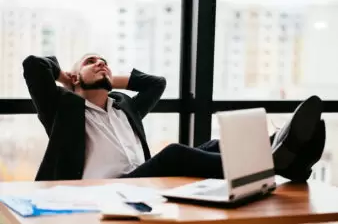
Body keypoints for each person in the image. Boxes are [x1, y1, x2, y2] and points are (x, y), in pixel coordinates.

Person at [22, 53, 325, 182]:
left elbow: (157, 83)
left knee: (213, 144)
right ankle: (274, 162)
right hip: (104, 190)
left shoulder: (125, 107)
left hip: (140, 185)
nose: (101, 63)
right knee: (174, 154)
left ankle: (284, 152)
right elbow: (33, 65)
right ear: (75, 75)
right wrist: (67, 77)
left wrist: (106, 78)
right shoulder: (63, 112)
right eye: (91, 61)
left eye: (105, 62)